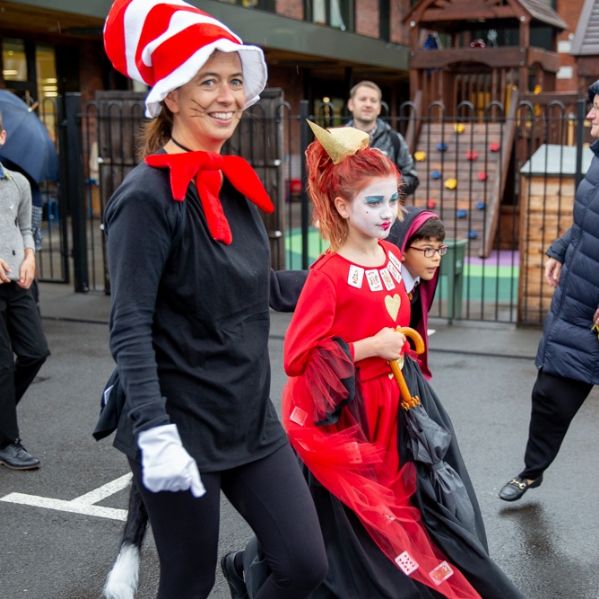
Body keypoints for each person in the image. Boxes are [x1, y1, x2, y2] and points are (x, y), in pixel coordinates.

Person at [231, 122, 522, 598]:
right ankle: (262, 569)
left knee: (407, 510)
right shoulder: (328, 275)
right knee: (350, 521)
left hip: (397, 407)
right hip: (350, 417)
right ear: (343, 206)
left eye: (392, 200)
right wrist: (370, 348)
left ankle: (260, 564)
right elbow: (297, 357)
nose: (388, 213)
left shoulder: (391, 255)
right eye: (374, 202)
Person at [100, 2, 327, 598]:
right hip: (179, 426)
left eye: (233, 81)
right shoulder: (145, 198)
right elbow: (128, 325)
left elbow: (257, 285)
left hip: (248, 416)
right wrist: (153, 431)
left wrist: (346, 275)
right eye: (207, 81)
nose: (226, 96)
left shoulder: (230, 180)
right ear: (171, 95)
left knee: (304, 564)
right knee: (187, 581)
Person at [498, 80, 599, 502]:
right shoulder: (597, 162)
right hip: (580, 305)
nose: (590, 115)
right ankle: (531, 471)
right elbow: (587, 221)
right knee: (550, 396)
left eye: (598, 107)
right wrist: (560, 247)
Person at [0, 110, 49, 470]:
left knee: (34, 352)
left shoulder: (18, 182)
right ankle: (7, 441)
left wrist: (31, 256)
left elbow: (26, 226)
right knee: (2, 365)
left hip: (18, 281)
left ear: (2, 137)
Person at [388, 206, 447, 378]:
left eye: (439, 249)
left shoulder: (416, 286)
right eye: (428, 249)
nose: (437, 257)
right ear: (403, 250)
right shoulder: (390, 289)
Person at [346, 80, 419, 196]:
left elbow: (412, 177)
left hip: (385, 212)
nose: (368, 104)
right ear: (351, 104)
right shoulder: (339, 139)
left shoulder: (394, 139)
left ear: (379, 108)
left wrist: (388, 186)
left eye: (373, 100)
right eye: (363, 99)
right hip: (346, 212)